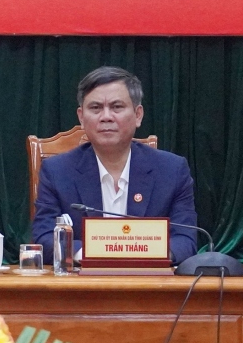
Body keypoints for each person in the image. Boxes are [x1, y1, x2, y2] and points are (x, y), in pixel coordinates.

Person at [32, 66, 198, 265]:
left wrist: (144, 254)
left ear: (138, 115)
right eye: (95, 108)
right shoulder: (57, 171)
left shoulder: (172, 170)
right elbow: (43, 237)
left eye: (117, 107)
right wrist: (91, 254)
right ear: (81, 117)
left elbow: (186, 240)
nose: (106, 117)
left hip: (148, 279)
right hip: (83, 280)